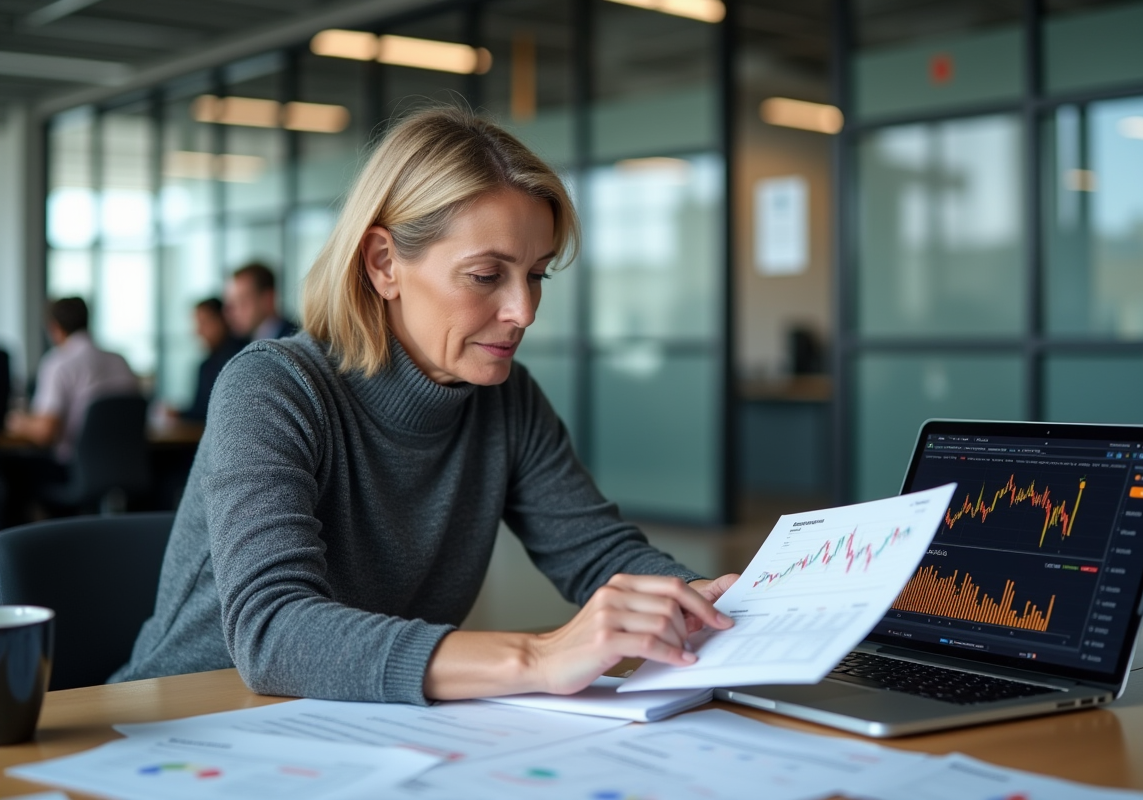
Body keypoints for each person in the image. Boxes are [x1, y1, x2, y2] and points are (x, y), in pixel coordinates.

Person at [113, 106, 739, 704]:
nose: (523, 312)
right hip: (185, 719)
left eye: (537, 274)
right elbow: (274, 633)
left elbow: (598, 553)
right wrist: (538, 657)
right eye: (486, 275)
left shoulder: (506, 398)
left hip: (361, 722)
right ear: (385, 264)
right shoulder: (272, 387)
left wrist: (712, 601)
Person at [1, 297, 139, 525]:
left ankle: (19, 550)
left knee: (11, 469)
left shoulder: (59, 363)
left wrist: (17, 422)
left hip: (72, 471)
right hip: (126, 469)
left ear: (54, 327)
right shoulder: (120, 361)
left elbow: (46, 433)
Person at [179, 298, 247, 423]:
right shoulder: (205, 366)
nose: (198, 331)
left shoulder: (242, 358)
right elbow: (200, 411)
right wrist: (178, 414)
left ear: (222, 320)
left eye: (204, 323)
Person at [223, 262, 299, 341]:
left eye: (242, 301)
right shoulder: (242, 342)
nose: (231, 312)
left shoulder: (294, 341)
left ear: (268, 299)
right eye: (230, 303)